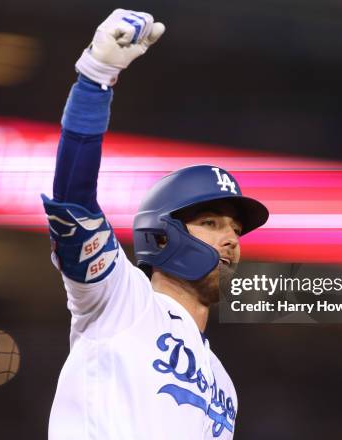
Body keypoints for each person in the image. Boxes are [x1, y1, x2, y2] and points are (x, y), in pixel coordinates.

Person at [42, 9, 269, 439]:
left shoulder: (224, 384)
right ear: (161, 234)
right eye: (211, 222)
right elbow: (74, 203)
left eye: (236, 231)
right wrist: (95, 77)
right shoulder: (120, 300)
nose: (230, 240)